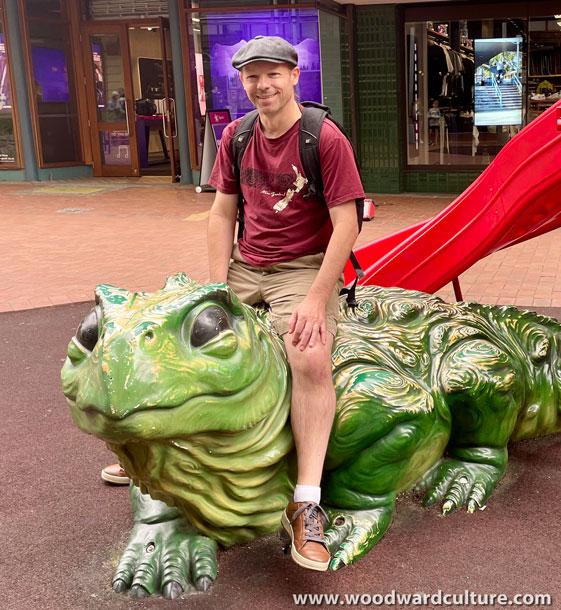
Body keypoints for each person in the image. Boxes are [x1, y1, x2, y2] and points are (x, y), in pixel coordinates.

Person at [208, 35, 362, 571]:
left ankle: (307, 502)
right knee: (185, 331)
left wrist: (319, 298)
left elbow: (347, 224)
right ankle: (158, 455)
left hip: (302, 267)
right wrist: (215, 291)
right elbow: (222, 212)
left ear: (296, 76)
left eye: (273, 73)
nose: (262, 85)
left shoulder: (325, 139)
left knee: (309, 355)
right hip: (245, 264)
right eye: (252, 76)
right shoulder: (236, 134)